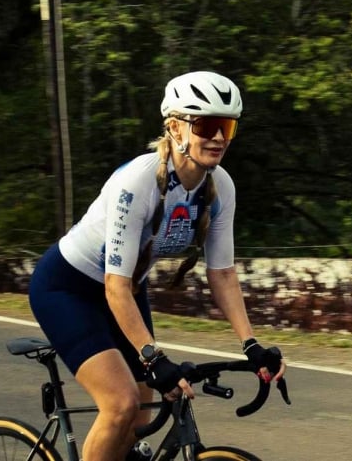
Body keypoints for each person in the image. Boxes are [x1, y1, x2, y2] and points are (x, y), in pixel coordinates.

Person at [28, 70, 285, 461]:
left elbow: (223, 274)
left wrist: (251, 346)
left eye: (227, 127)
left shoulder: (221, 189)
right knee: (121, 405)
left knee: (144, 411)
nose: (217, 137)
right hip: (68, 288)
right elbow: (113, 287)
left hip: (127, 293)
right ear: (174, 127)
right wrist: (154, 357)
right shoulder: (138, 182)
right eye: (207, 125)